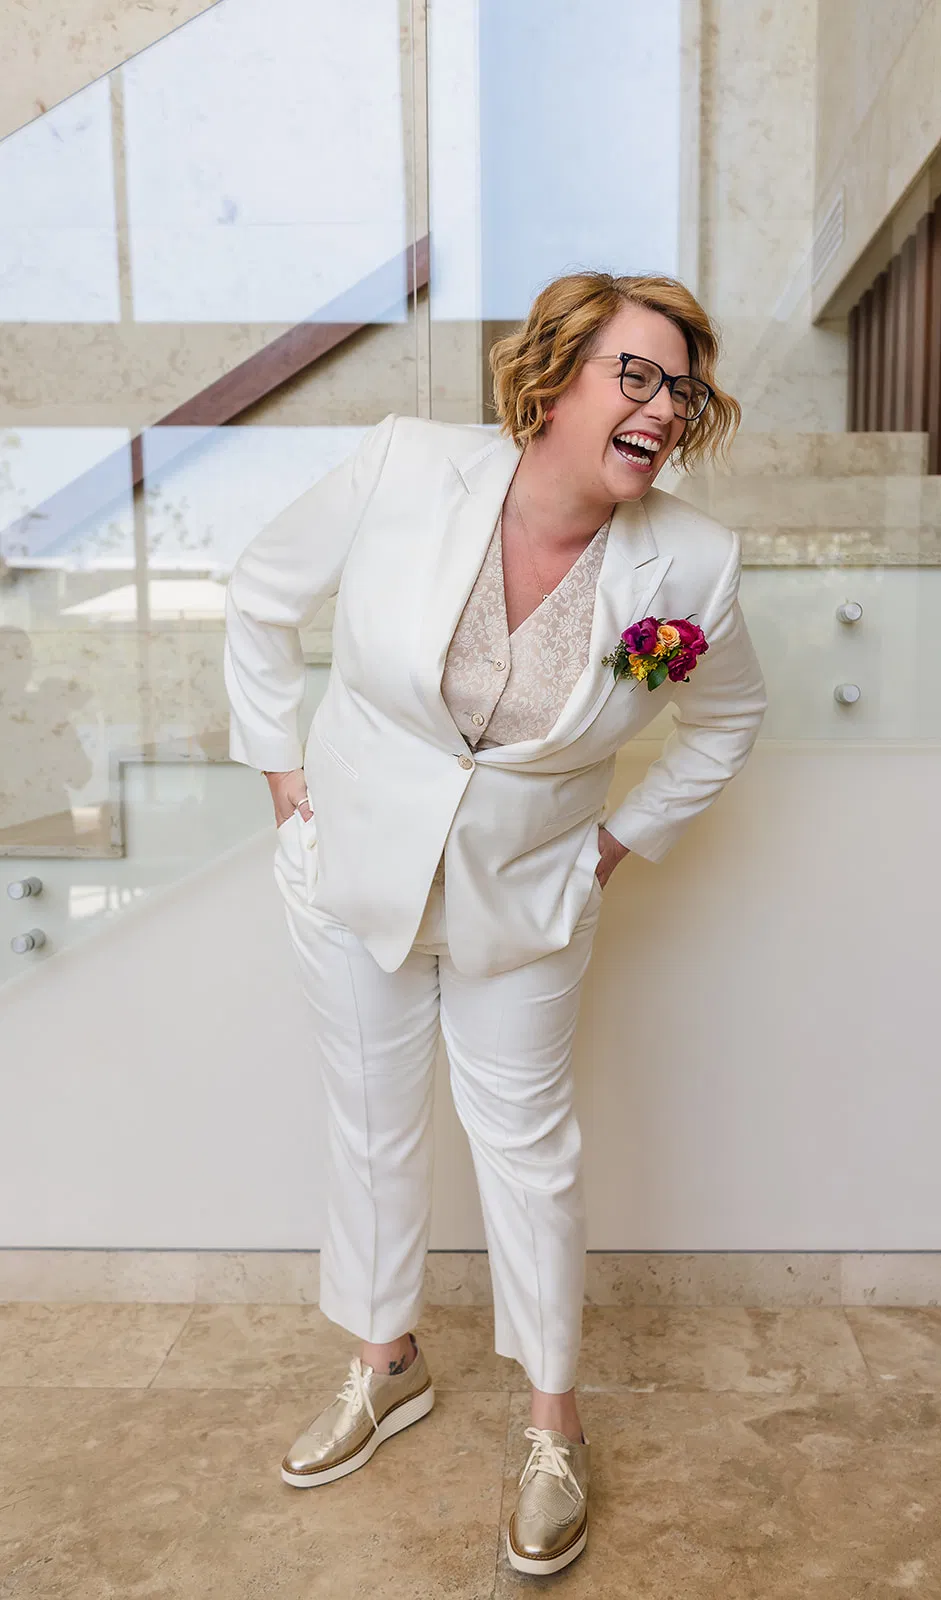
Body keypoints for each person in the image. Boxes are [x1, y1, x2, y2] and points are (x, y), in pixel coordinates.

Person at [223, 270, 767, 1575]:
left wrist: (614, 849)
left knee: (526, 1148)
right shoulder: (409, 467)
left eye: (680, 388)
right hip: (348, 869)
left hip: (527, 899)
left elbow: (726, 718)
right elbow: (258, 589)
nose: (661, 405)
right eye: (634, 373)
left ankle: (552, 1427)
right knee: (368, 1118)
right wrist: (286, 785)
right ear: (557, 377)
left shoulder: (684, 565)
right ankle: (383, 1362)